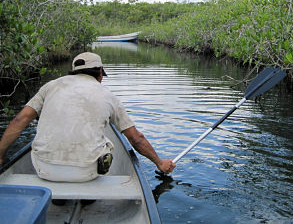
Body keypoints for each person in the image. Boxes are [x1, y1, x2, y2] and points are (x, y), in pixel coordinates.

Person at [0, 52, 175, 181]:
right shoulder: (108, 95)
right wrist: (160, 163)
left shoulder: (50, 86)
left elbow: (19, 121)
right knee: (107, 147)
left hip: (43, 169)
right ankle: (87, 198)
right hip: (86, 173)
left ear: (74, 72)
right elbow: (136, 139)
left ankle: (58, 197)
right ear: (100, 73)